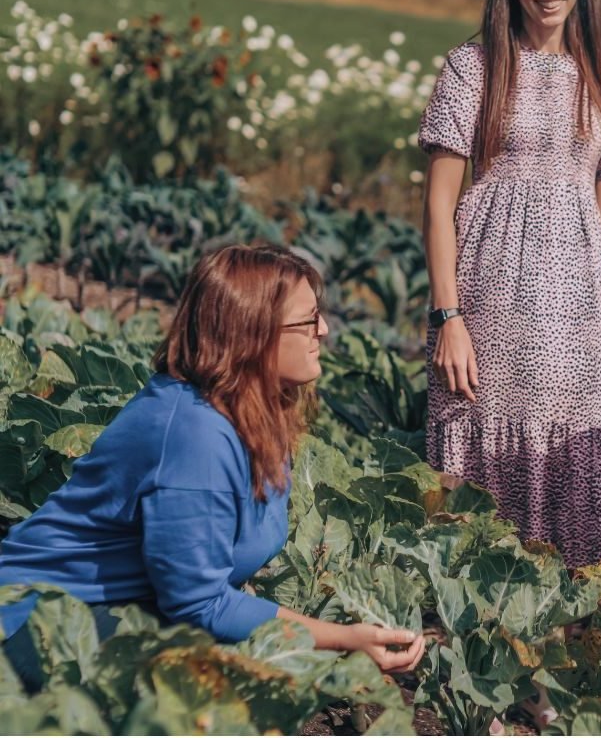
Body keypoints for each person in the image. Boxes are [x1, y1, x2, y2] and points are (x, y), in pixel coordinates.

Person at [0, 244, 425, 688]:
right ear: (251, 335)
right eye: (306, 321)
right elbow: (200, 605)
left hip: (128, 610)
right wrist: (342, 639)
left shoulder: (256, 413)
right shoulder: (194, 434)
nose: (323, 329)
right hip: (41, 623)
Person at [418, 0, 601, 570]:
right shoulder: (472, 68)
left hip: (578, 316)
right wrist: (448, 318)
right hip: (488, 303)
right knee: (481, 480)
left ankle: (579, 632)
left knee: (584, 468)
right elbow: (438, 207)